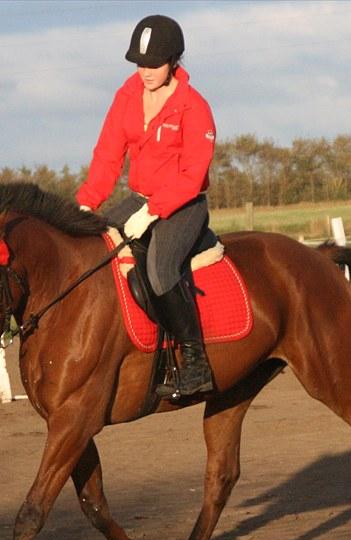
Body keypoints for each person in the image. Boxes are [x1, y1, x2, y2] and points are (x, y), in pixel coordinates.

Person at [76, 14, 216, 398]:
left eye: (154, 64)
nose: (146, 72)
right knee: (93, 249)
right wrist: (87, 205)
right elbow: (107, 156)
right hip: (139, 199)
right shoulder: (125, 97)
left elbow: (192, 173)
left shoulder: (193, 106)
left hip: (183, 204)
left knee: (159, 268)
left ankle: (196, 361)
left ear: (174, 61)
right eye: (140, 64)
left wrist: (155, 211)